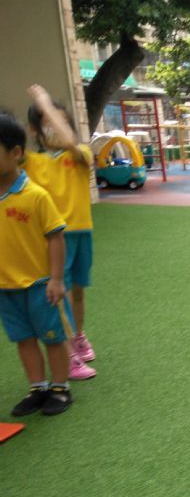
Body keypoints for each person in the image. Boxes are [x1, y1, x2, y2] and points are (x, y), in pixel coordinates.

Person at [0, 112, 72, 416]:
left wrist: (56, 279)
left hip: (40, 284)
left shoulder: (35, 196)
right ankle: (38, 387)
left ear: (16, 153)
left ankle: (60, 388)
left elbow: (56, 237)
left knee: (53, 337)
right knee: (23, 339)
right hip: (5, 287)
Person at [23, 85, 96, 381]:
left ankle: (77, 337)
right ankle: (67, 355)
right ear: (35, 130)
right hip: (56, 238)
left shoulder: (80, 154)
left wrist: (48, 108)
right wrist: (42, 102)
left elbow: (68, 141)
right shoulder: (31, 161)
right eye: (49, 122)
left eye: (62, 122)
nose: (56, 127)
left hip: (82, 232)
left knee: (78, 291)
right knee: (59, 294)